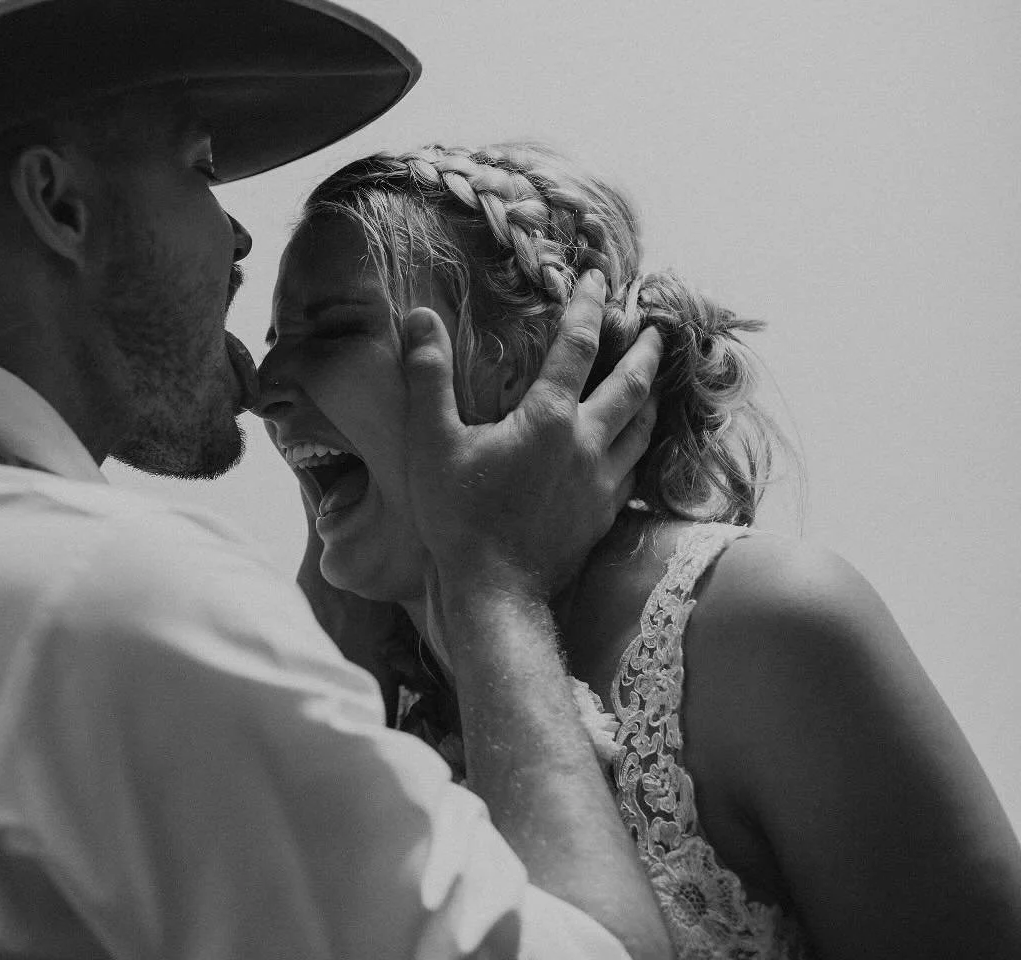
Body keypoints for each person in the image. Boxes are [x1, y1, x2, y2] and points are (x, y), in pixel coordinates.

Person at [0, 4, 675, 960]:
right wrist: (494, 581)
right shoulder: (92, 593)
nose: (238, 234)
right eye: (199, 166)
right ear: (60, 204)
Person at [255, 141, 1021, 959]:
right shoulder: (368, 701)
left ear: (520, 365)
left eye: (333, 330)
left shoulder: (764, 631)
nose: (261, 389)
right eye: (270, 341)